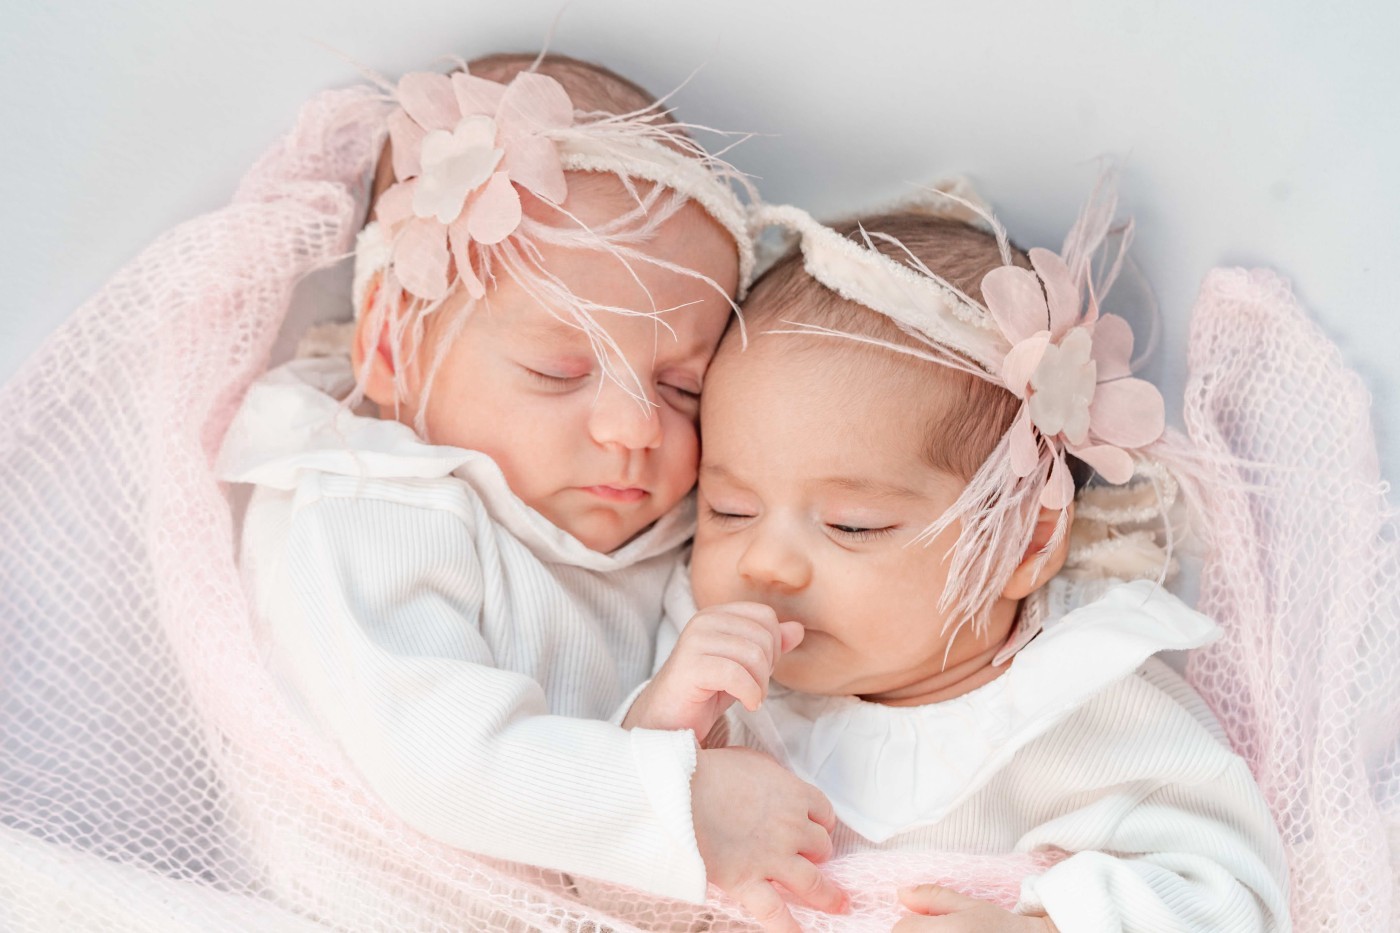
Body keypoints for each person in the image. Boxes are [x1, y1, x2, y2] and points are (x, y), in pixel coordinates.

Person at [217, 52, 844, 930]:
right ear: (393, 349)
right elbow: (441, 758)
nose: (635, 426)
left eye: (683, 388)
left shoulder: (669, 533)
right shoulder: (369, 501)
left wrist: (672, 725)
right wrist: (674, 801)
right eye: (559, 370)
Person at [624, 189, 1292, 931]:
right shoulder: (720, 687)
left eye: (852, 525)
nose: (765, 563)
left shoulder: (1084, 707)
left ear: (1025, 543)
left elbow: (1234, 898)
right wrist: (657, 739)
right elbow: (593, 865)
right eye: (728, 510)